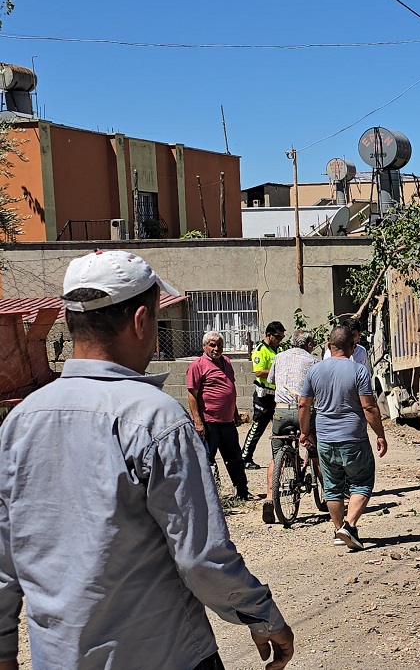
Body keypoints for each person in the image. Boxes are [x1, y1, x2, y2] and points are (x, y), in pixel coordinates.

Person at [0, 249, 294, 669]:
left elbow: (3, 562)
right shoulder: (154, 417)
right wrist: (261, 613)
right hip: (163, 654)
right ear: (141, 321)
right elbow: (200, 557)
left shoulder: (19, 422)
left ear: (69, 322)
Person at [300, 325, 389, 550]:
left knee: (332, 487)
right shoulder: (359, 371)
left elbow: (304, 404)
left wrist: (304, 432)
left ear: (329, 346)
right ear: (353, 347)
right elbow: (369, 407)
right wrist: (380, 434)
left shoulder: (315, 371)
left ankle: (339, 532)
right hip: (353, 438)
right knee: (361, 483)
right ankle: (349, 527)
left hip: (325, 439)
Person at [261, 328, 321, 524]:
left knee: (275, 455)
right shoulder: (313, 361)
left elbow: (270, 381)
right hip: (302, 411)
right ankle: (329, 495)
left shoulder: (279, 357)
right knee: (316, 452)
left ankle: (270, 498)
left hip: (280, 411)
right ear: (308, 344)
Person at [188, 331, 256, 501]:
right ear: (204, 346)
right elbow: (192, 395)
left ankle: (242, 491)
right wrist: (197, 421)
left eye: (219, 345)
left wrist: (235, 413)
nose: (216, 348)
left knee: (235, 458)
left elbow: (230, 389)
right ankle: (207, 497)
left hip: (227, 422)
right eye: (212, 345)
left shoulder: (225, 362)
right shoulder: (198, 366)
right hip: (209, 422)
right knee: (206, 459)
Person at [243, 320, 286, 470]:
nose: (280, 340)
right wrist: (278, 371)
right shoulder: (260, 350)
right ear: (269, 335)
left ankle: (283, 457)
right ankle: (246, 457)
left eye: (282, 337)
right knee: (258, 427)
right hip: (263, 397)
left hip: (277, 396)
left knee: (282, 428)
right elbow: (259, 372)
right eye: (278, 337)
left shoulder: (278, 350)